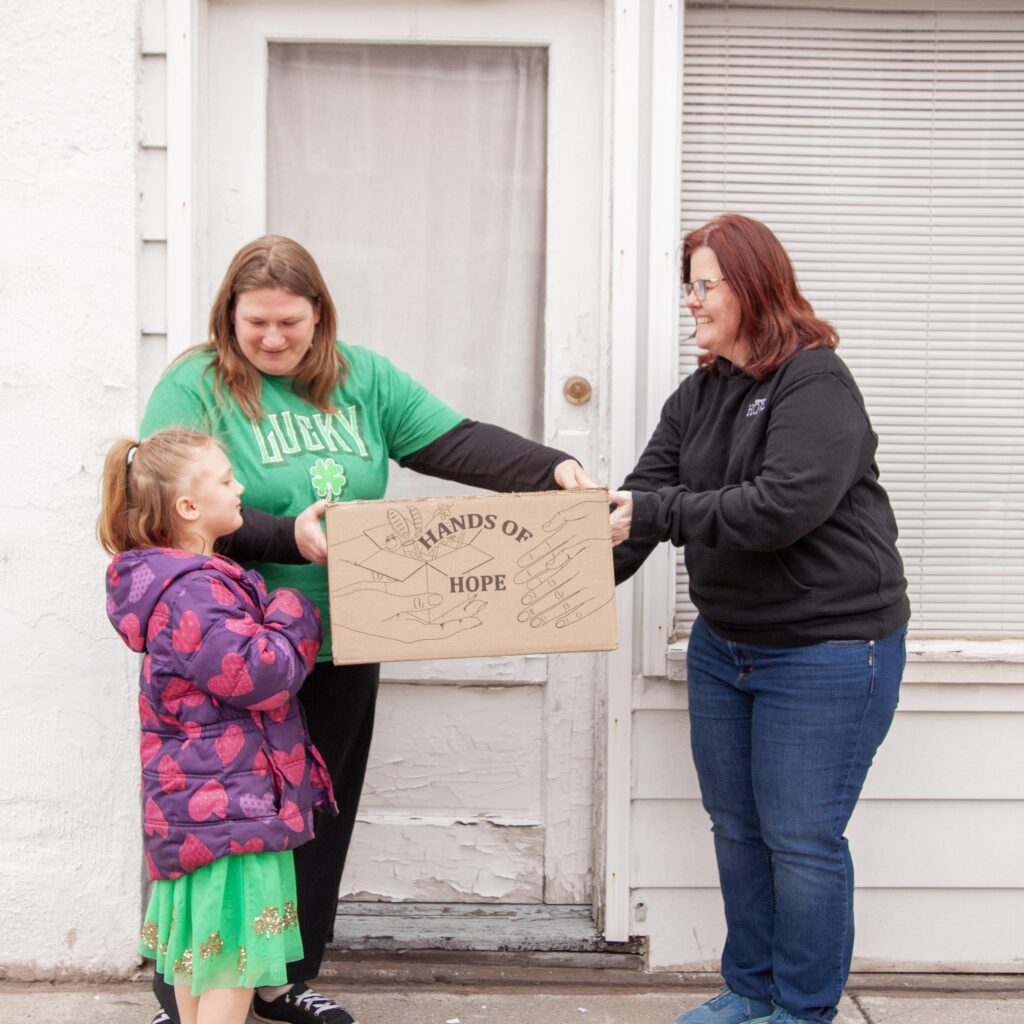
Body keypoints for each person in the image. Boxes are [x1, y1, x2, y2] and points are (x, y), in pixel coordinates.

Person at [139, 235, 595, 1024]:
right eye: (257, 325)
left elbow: (454, 442)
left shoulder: (362, 379)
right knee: (224, 818)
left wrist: (550, 468)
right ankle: (186, 984)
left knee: (316, 811)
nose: (274, 340)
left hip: (346, 631)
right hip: (229, 652)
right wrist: (289, 538)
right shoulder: (197, 384)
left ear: (320, 318)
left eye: (290, 323)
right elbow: (169, 505)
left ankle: (282, 979)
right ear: (229, 318)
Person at [609, 214, 910, 1024]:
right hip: (726, 645)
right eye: (690, 287)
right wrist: (532, 586)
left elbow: (781, 508)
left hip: (830, 648)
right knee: (738, 827)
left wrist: (647, 510)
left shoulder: (817, 383)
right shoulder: (698, 395)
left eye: (705, 286)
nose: (693, 303)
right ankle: (752, 988)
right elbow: (642, 508)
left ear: (752, 285)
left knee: (802, 838)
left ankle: (805, 1009)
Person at [99, 428, 337, 1024]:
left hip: (208, 805)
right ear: (187, 507)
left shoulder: (182, 581)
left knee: (199, 957)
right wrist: (293, 608)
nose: (241, 488)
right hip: (230, 809)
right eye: (227, 480)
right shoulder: (196, 591)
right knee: (233, 959)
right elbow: (263, 674)